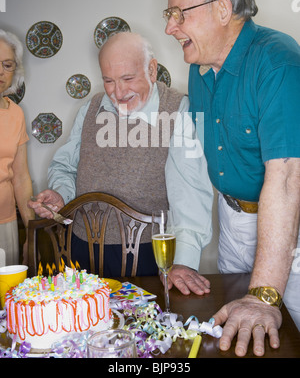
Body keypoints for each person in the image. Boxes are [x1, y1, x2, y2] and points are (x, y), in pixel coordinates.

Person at [163, 0, 300, 356]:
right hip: (233, 220)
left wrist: (263, 295)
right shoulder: (201, 69)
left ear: (223, 9)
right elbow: (192, 170)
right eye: (168, 15)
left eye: (178, 13)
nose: (170, 27)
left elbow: (289, 177)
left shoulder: (278, 61)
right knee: (241, 334)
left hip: (288, 224)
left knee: (285, 328)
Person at [28, 31, 213, 294]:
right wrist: (61, 194)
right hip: (82, 251)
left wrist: (183, 261)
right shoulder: (90, 108)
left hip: (149, 256)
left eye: (128, 78)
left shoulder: (180, 109)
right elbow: (65, 167)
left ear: (151, 69)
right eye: (109, 81)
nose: (119, 92)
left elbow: (190, 192)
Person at [0, 30, 34, 265]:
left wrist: (31, 234)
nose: (0, 71)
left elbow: (21, 178)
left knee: (6, 295)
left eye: (7, 64)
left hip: (5, 223)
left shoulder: (16, 114)